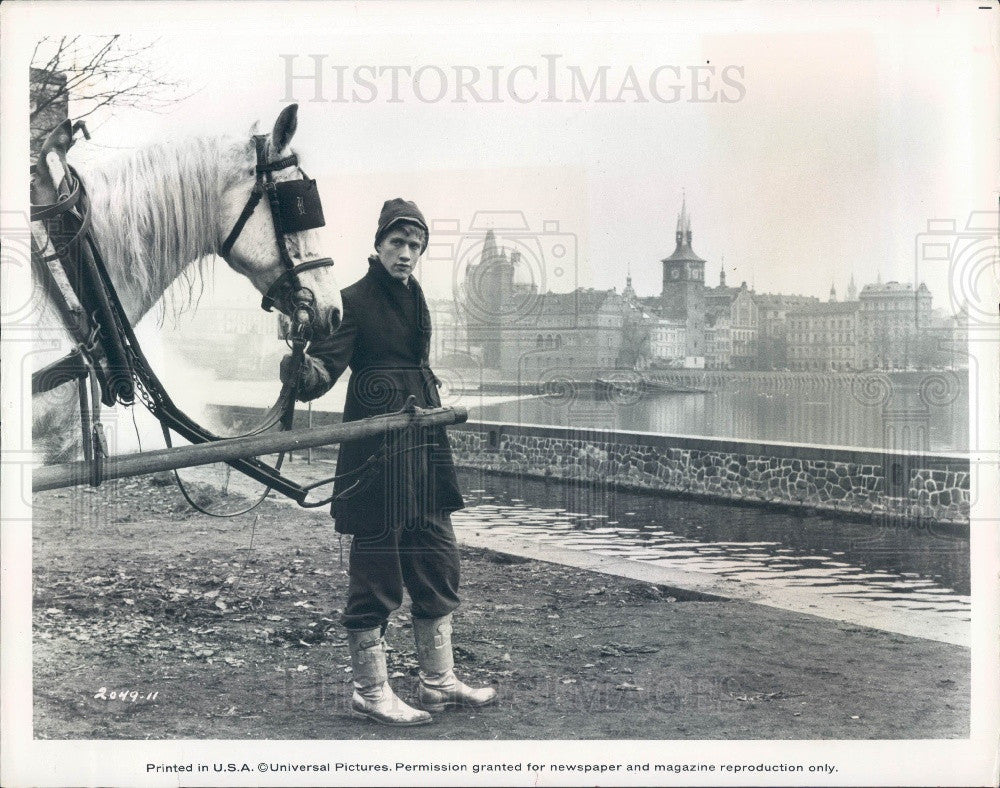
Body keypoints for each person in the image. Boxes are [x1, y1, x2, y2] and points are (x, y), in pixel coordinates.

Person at [281, 198, 497, 726]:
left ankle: (437, 681)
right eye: (397, 244)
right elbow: (324, 372)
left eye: (415, 246)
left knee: (436, 555)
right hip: (377, 448)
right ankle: (370, 691)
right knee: (377, 564)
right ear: (378, 246)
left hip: (423, 445)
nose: (406, 254)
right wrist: (299, 366)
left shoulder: (416, 298)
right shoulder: (351, 299)